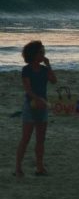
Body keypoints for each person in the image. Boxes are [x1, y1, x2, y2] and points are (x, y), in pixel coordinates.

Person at [15, 41, 57, 178]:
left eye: (43, 52)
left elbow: (54, 80)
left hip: (42, 106)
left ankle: (39, 167)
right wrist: (38, 99)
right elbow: (28, 90)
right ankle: (18, 167)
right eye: (41, 52)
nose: (43, 54)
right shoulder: (26, 70)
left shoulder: (44, 70)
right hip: (30, 105)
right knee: (26, 138)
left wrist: (48, 65)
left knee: (40, 139)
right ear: (33, 54)